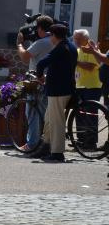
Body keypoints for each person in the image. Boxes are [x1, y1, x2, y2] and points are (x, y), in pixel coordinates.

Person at [32, 24, 77, 162]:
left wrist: (40, 76)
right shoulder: (71, 46)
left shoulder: (60, 48)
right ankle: (46, 145)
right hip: (67, 87)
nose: (49, 37)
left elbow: (41, 64)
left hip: (58, 90)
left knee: (57, 121)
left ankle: (57, 153)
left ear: (54, 35)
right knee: (49, 119)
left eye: (50, 34)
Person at [16, 15, 54, 152]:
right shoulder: (55, 40)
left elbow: (25, 57)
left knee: (32, 112)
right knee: (44, 114)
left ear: (39, 28)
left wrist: (20, 44)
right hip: (49, 81)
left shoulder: (41, 43)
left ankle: (31, 144)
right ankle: (42, 144)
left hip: (36, 81)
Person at [71, 29, 102, 150]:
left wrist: (76, 62)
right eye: (75, 38)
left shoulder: (92, 51)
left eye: (79, 38)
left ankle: (90, 142)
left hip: (92, 87)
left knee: (91, 115)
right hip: (79, 86)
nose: (76, 41)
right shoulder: (78, 51)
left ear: (86, 39)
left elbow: (90, 67)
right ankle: (81, 140)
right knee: (79, 114)